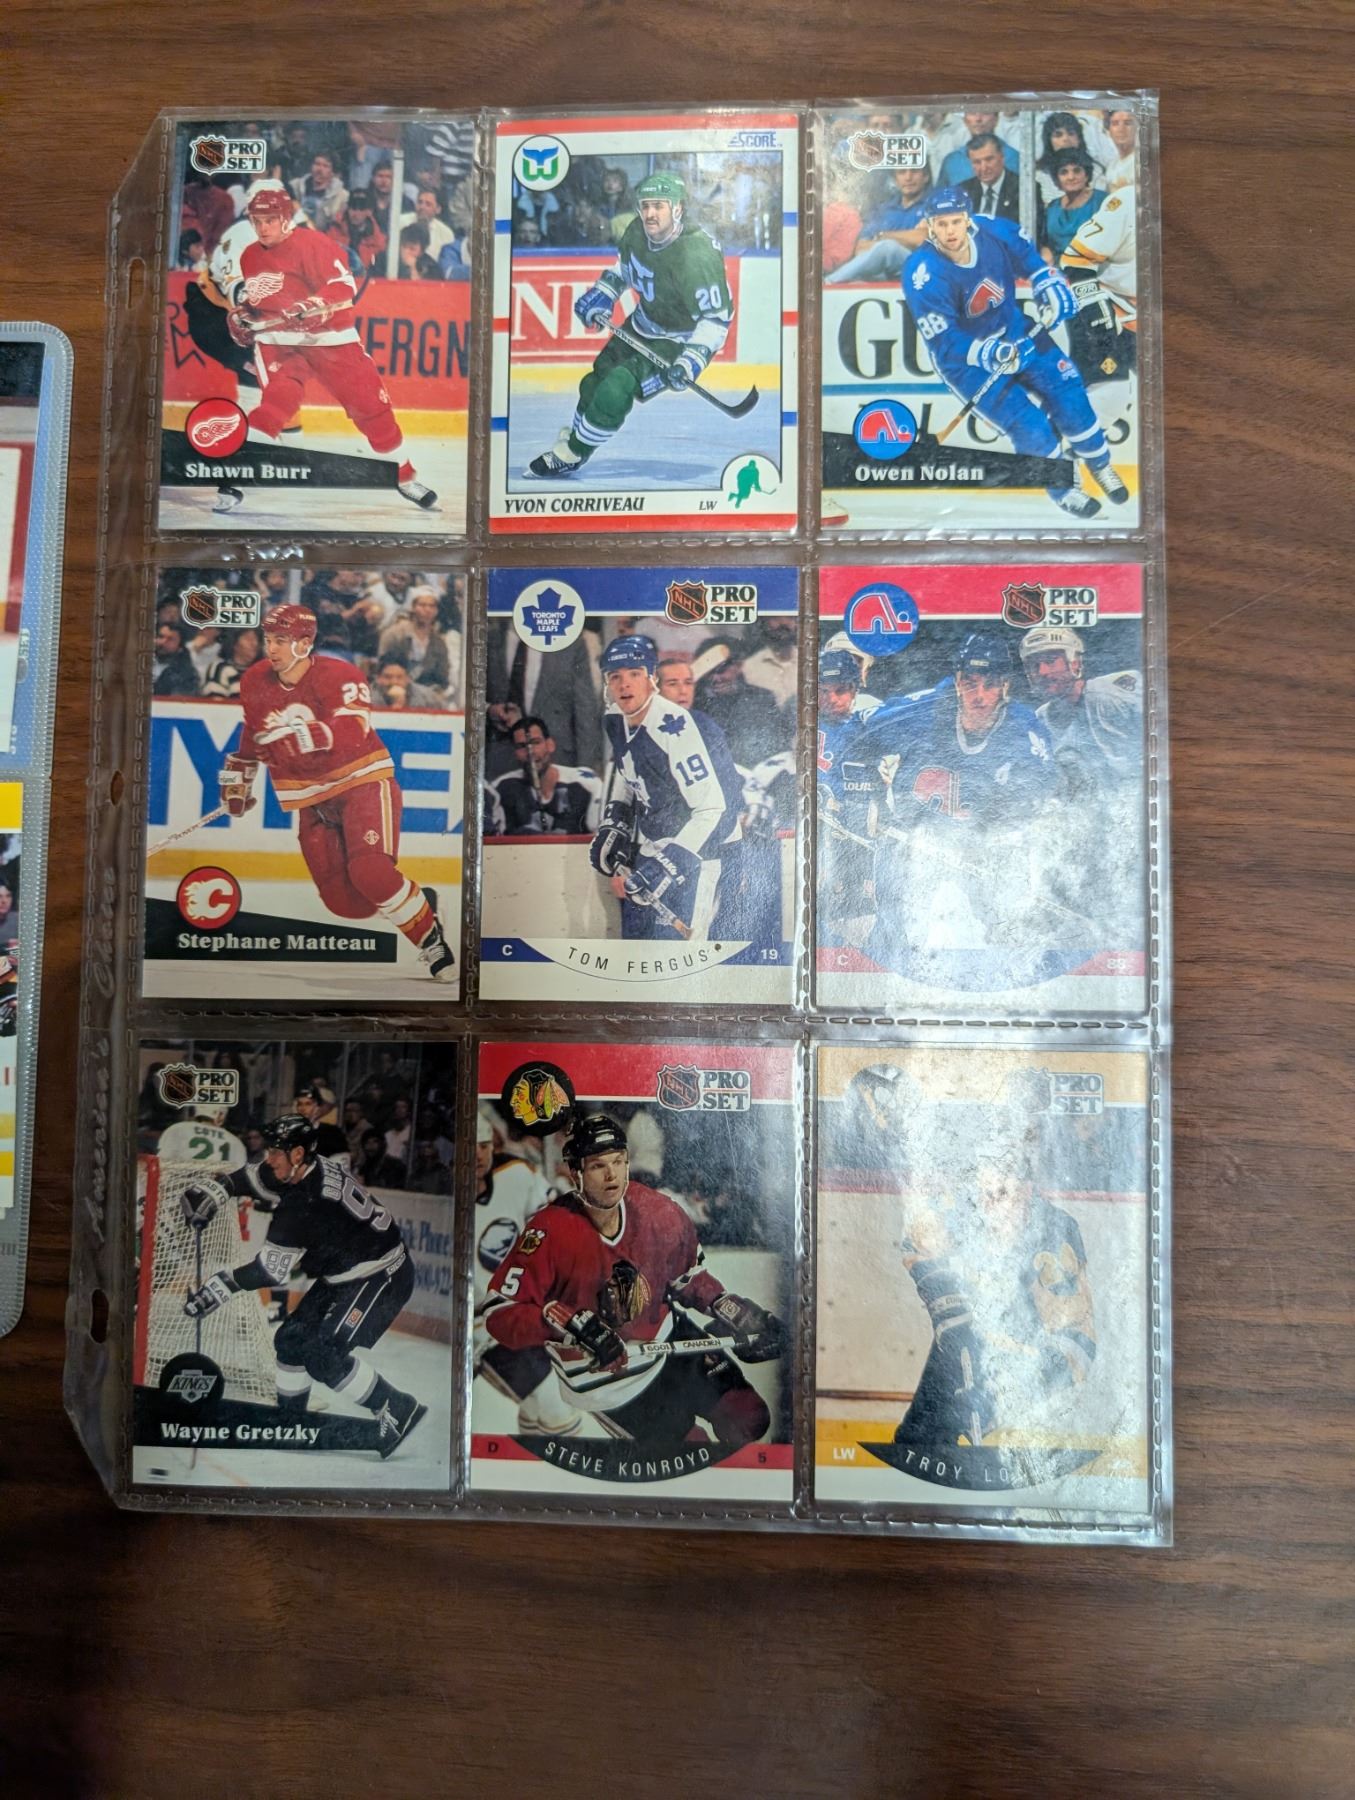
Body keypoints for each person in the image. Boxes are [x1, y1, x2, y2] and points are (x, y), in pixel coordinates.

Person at [480, 1113, 784, 1445]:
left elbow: (688, 1278)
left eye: (618, 1161)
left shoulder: (658, 1210)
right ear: (576, 1172)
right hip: (604, 1378)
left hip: (668, 1339)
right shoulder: (548, 1230)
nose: (612, 1175)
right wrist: (568, 1326)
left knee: (749, 1417)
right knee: (691, 1449)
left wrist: (729, 1309)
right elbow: (499, 1313)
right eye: (598, 1166)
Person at [220, 602, 455, 981]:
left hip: (361, 782)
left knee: (371, 872)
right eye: (269, 639)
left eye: (281, 640)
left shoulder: (340, 674)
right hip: (312, 800)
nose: (271, 648)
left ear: (304, 643)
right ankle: (420, 903)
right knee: (347, 905)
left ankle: (431, 941)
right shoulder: (255, 679)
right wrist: (239, 779)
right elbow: (254, 729)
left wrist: (303, 736)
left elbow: (352, 728)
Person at [180, 1114, 427, 1457]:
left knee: (323, 1355)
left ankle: (397, 1407)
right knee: (290, 1341)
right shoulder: (302, 1169)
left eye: (275, 1152)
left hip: (382, 1277)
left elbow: (269, 1272)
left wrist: (220, 1287)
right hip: (347, 1274)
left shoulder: (304, 1203)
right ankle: (291, 1421)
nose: (269, 1158)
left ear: (297, 1154)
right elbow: (253, 1176)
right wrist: (220, 1187)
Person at [901, 187, 1128, 519]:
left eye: (955, 221)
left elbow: (1030, 260)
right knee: (1029, 427)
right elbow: (945, 341)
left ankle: (1100, 465)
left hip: (1018, 331)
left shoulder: (995, 230)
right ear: (929, 225)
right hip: (968, 362)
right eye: (941, 223)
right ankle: (1064, 489)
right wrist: (989, 352)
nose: (950, 231)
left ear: (967, 219)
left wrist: (1046, 281)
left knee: (1070, 396)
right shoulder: (922, 274)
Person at [225, 187, 436, 514]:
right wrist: (247, 315)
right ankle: (235, 473)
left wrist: (313, 304)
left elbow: (343, 285)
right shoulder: (250, 255)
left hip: (331, 340)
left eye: (270, 220)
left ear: (286, 218)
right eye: (257, 221)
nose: (263, 228)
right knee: (277, 401)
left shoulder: (314, 244)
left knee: (372, 410)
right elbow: (260, 301)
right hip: (280, 343)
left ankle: (404, 476)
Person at [857, 633, 1061, 959]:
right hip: (912, 844)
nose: (978, 696)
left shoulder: (1025, 731)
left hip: (982, 851)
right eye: (970, 683)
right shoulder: (925, 710)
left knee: (1000, 938)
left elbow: (1046, 801)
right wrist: (874, 782)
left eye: (989, 685)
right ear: (956, 682)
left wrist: (1006, 844)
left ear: (1005, 686)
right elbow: (861, 730)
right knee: (895, 935)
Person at [893, 1131, 1096, 1451]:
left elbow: (1072, 1334)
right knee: (929, 1410)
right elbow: (915, 1242)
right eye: (982, 1194)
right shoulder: (964, 1211)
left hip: (1044, 1351)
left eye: (1001, 1194)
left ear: (1026, 1192)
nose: (988, 1206)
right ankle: (918, 1439)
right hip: (972, 1337)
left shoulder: (1054, 1232)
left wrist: (1012, 1382)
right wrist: (947, 1307)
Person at [525, 172, 734, 477]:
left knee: (617, 387)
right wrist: (604, 293)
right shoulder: (637, 231)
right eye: (645, 205)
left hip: (678, 339)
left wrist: (690, 362)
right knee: (594, 382)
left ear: (677, 208)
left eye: (659, 206)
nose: (650, 214)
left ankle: (573, 452)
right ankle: (574, 442)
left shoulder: (696, 255)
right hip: (642, 323)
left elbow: (715, 319)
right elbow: (625, 268)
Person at [589, 635, 747, 941]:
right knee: (642, 946)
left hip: (706, 848)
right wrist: (615, 821)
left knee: (688, 953)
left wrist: (672, 862)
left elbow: (716, 809)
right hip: (660, 841)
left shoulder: (681, 728)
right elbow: (629, 769)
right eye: (615, 676)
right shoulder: (615, 718)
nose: (625, 684)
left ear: (651, 680)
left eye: (634, 674)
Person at [470, 1109, 579, 1434]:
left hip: (519, 1313)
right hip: (480, 1328)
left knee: (537, 1407)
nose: (478, 1155)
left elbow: (555, 1224)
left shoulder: (517, 1175)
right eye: (470, 1146)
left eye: (484, 1146)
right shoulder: (443, 1199)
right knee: (554, 1407)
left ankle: (531, 1461)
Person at [1018, 625, 1143, 791]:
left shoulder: (1111, 695)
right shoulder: (1039, 720)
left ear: (1075, 663)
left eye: (1050, 661)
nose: (1042, 671)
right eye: (1034, 666)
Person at [487, 714, 602, 834]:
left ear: (550, 745)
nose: (530, 752)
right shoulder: (501, 787)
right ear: (514, 752)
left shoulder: (585, 782)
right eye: (521, 746)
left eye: (536, 742)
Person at [823, 166, 933, 285]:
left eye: (914, 171)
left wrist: (883, 236)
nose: (908, 178)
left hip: (922, 269)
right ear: (895, 179)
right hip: (886, 274)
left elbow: (923, 239)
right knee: (858, 282)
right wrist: (907, 239)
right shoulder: (884, 209)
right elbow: (861, 248)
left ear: (926, 177)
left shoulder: (935, 202)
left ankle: (828, 283)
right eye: (902, 172)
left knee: (888, 248)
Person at [377, 585, 453, 696]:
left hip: (425, 693)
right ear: (413, 607)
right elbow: (384, 667)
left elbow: (442, 678)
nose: (427, 610)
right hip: (394, 687)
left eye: (432, 606)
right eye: (422, 605)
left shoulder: (439, 643)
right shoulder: (394, 634)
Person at [1043, 152, 1106, 261]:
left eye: (1077, 171)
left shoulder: (1102, 202)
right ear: (1057, 179)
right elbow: (1045, 244)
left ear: (1086, 175)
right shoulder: (1052, 208)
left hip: (1095, 267)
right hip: (1058, 268)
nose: (1071, 177)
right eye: (1064, 172)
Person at [960, 132, 1023, 222]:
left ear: (1002, 157)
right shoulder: (963, 191)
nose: (984, 168)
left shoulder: (1022, 189)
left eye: (989, 159)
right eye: (977, 162)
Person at [326, 188, 387, 271]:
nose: (356, 214)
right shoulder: (333, 232)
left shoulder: (378, 240)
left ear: (369, 211)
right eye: (353, 208)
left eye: (361, 209)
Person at [289, 151, 349, 230]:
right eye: (317, 164)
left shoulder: (342, 196)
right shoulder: (294, 186)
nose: (320, 169)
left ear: (332, 172)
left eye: (325, 166)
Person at [199, 628, 261, 699]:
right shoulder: (219, 669)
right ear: (234, 644)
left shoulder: (261, 672)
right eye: (248, 639)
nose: (255, 643)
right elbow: (216, 702)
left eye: (257, 640)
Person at [293, 1083, 349, 1159]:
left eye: (308, 1104)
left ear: (317, 1107)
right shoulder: (290, 1132)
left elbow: (342, 1160)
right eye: (299, 1104)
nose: (303, 1108)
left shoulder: (332, 1133)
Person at [399, 188, 456, 261]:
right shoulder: (401, 221)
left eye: (428, 204)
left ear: (438, 209)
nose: (422, 207)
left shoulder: (446, 234)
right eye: (420, 202)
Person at [152, 621, 199, 696]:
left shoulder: (187, 674)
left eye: (170, 639)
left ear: (180, 647)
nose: (163, 642)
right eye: (161, 637)